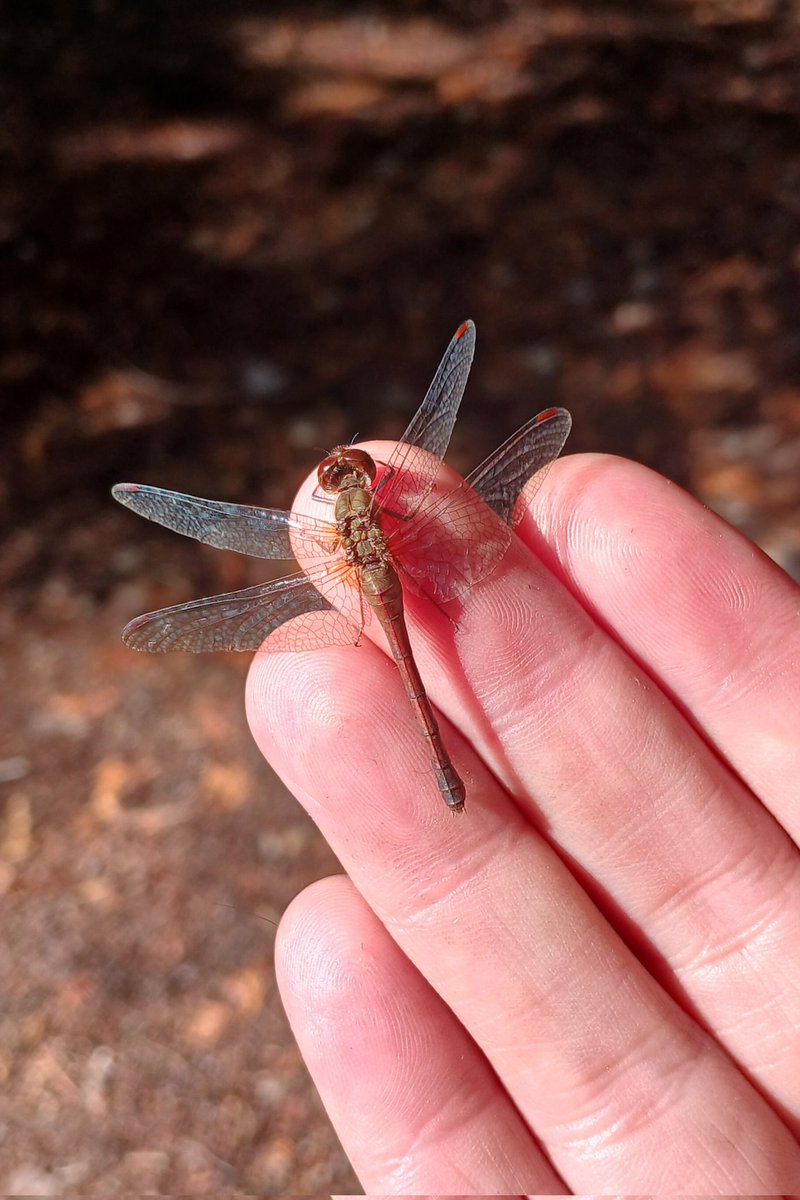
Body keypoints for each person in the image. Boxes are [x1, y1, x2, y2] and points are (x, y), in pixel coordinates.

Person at [246, 449, 800, 1194]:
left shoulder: (351, 528)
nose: (349, 475)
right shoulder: (390, 511)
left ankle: (443, 767)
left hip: (372, 582)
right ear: (364, 493)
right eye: (350, 476)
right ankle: (441, 765)